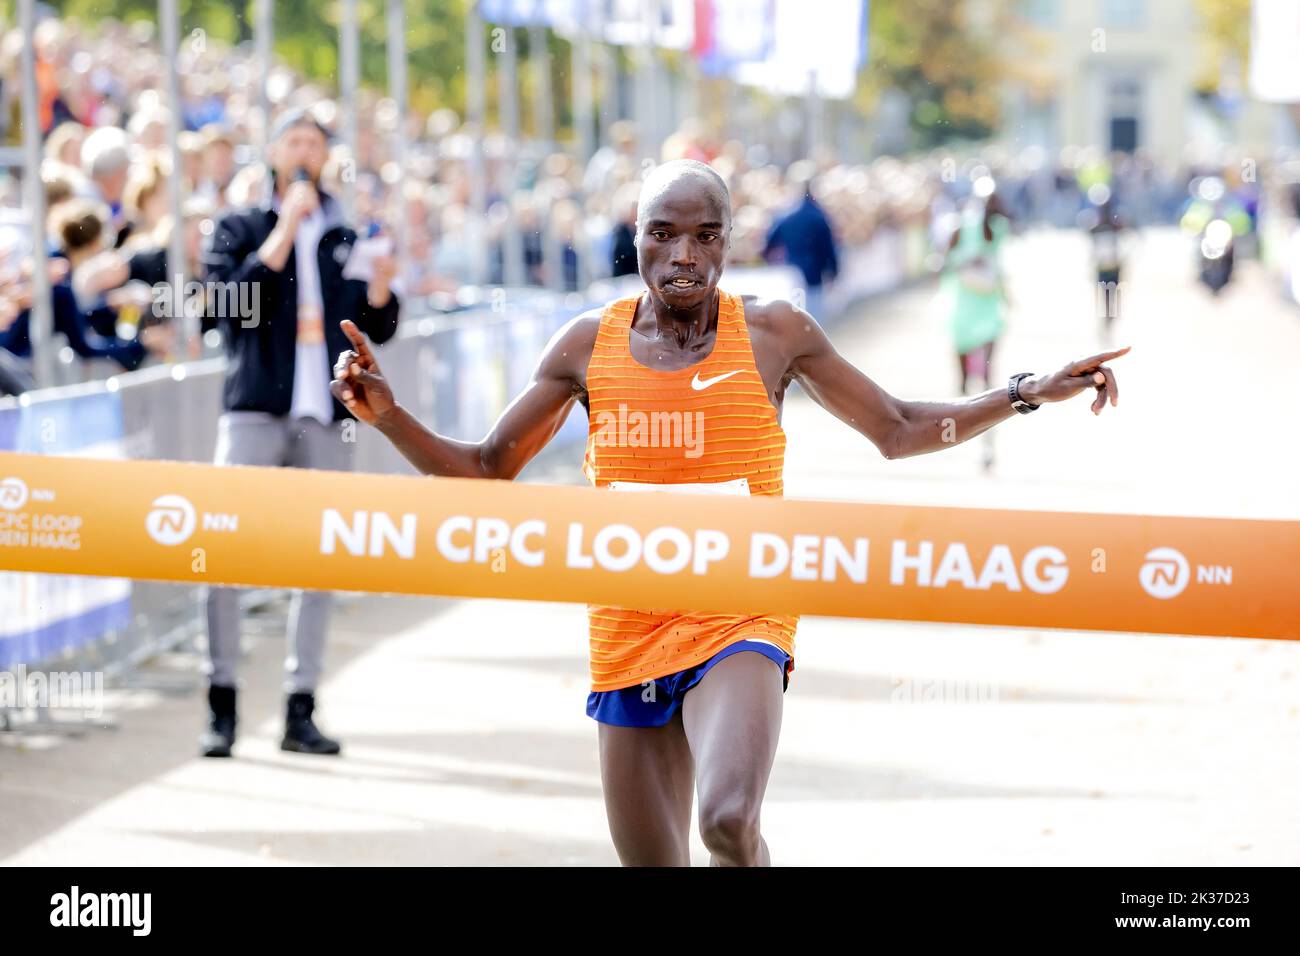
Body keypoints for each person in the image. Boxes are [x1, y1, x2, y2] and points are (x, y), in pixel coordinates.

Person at [331, 159, 1128, 866]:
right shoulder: (586, 346)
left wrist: (1023, 392)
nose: (685, 256)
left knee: (726, 821)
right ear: (635, 239)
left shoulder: (775, 334)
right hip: (629, 624)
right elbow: (485, 469)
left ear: (728, 243)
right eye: (664, 234)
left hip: (742, 612)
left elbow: (898, 428)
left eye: (706, 236)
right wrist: (389, 417)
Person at [197, 108, 401, 759]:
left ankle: (300, 707)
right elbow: (230, 309)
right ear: (276, 154)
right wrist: (283, 229)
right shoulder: (239, 225)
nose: (306, 150)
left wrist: (383, 293)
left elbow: (377, 325)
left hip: (325, 416)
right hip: (256, 408)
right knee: (221, 549)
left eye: (316, 141)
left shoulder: (345, 231)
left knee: (318, 561)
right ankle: (222, 704)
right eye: (295, 141)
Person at [763, 161, 838, 320]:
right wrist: (834, 272)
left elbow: (768, 243)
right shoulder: (819, 216)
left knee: (795, 323)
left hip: (791, 274)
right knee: (814, 323)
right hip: (814, 276)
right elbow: (829, 248)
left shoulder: (785, 214)